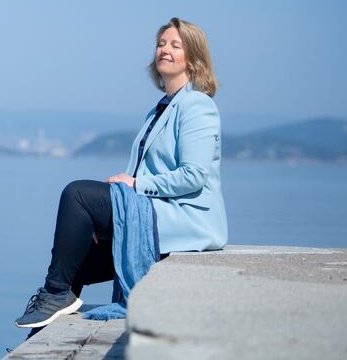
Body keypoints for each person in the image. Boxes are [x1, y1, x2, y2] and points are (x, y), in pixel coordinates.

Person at [14, 17, 228, 329]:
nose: (164, 50)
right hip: (155, 210)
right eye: (161, 43)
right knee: (78, 257)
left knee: (77, 194)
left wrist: (136, 184)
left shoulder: (197, 106)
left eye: (175, 45)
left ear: (193, 60)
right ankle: (58, 303)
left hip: (186, 217)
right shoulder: (161, 108)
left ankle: (56, 293)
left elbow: (193, 175)